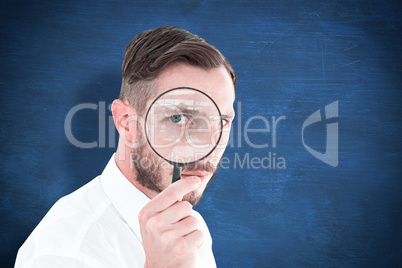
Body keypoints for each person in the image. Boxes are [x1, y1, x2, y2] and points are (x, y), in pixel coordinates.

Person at [15, 26, 237, 268]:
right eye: (178, 118)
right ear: (126, 122)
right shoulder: (62, 253)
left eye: (222, 121)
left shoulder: (188, 225)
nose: (207, 147)